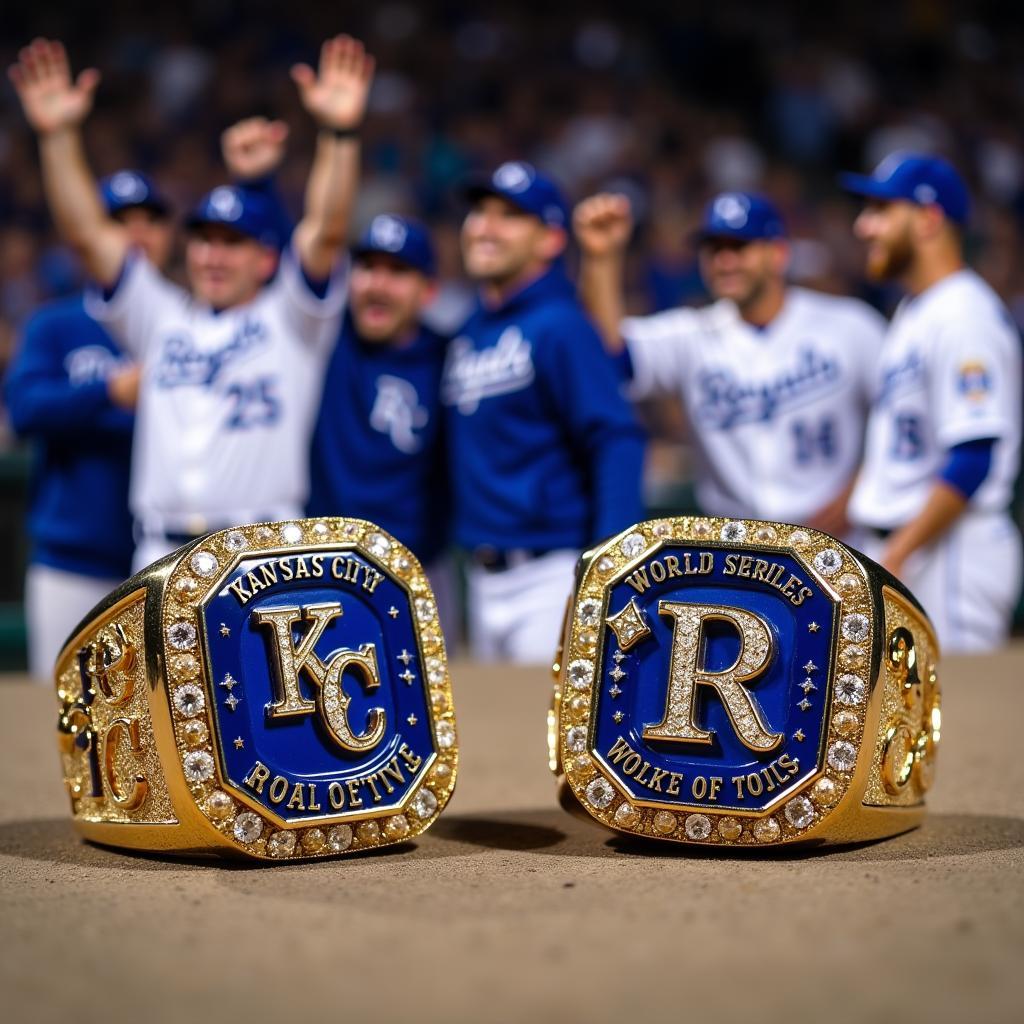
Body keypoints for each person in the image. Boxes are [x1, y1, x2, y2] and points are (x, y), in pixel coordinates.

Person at [9, 35, 374, 570]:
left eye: (233, 243)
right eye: (204, 239)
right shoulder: (161, 318)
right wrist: (59, 137)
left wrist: (338, 134)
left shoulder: (293, 320)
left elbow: (327, 230)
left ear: (267, 259)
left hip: (262, 553)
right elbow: (89, 235)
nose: (213, 255)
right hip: (161, 552)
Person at [574, 190, 886, 537]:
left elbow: (904, 418)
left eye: (738, 247)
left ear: (778, 253)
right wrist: (601, 260)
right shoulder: (691, 335)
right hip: (736, 559)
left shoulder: (850, 325)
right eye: (713, 249)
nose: (724, 261)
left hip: (839, 547)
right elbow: (607, 355)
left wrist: (860, 488)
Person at [441, 160, 645, 664]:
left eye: (509, 216)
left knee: (543, 740)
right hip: (481, 579)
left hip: (551, 575)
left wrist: (607, 570)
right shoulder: (470, 328)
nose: (485, 226)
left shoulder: (560, 325)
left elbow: (617, 438)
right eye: (480, 212)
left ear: (550, 240)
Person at [841, 153, 1022, 652]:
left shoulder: (965, 313)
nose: (863, 226)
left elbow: (973, 457)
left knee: (958, 723)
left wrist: (897, 554)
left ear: (929, 218)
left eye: (880, 210)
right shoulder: (916, 310)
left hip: (948, 553)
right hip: (910, 545)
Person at [4, 171, 172, 678]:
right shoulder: (56, 324)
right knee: (64, 723)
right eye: (119, 221)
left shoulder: (188, 322)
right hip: (71, 560)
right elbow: (25, 409)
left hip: (163, 562)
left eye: (151, 220)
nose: (138, 232)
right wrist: (109, 392)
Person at [308, 213, 455, 633]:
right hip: (325, 567)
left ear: (428, 291)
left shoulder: (451, 358)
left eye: (398, 271)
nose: (377, 284)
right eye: (368, 267)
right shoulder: (323, 339)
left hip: (420, 570)